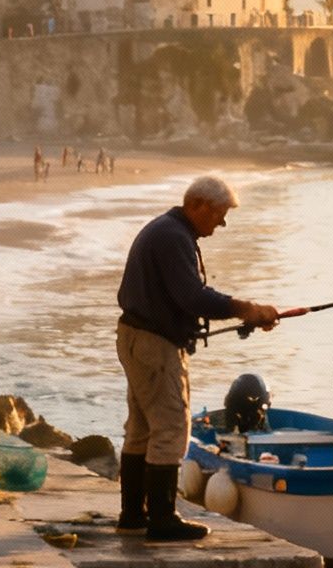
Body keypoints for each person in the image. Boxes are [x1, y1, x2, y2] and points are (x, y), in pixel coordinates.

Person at [113, 176, 281, 542]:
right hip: (154, 346)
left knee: (142, 428)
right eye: (219, 215)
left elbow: (181, 298)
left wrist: (242, 314)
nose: (221, 224)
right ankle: (161, 519)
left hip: (134, 338)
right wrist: (246, 309)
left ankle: (132, 514)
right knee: (171, 427)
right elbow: (192, 296)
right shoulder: (173, 236)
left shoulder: (165, 230)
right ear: (199, 204)